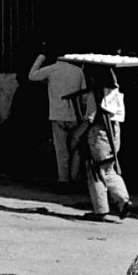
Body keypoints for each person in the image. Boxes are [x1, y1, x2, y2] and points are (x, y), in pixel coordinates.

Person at [72, 66, 130, 221]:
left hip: (99, 136)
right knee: (109, 169)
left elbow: (89, 118)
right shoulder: (115, 93)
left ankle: (100, 209)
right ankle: (123, 200)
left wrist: (76, 135)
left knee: (96, 171)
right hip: (114, 135)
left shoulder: (96, 94)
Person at [28, 46, 85, 187]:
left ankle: (64, 180)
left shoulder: (52, 69)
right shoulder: (78, 71)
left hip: (57, 114)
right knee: (76, 148)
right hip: (74, 115)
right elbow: (84, 96)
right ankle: (74, 177)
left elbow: (32, 76)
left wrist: (41, 57)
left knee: (61, 150)